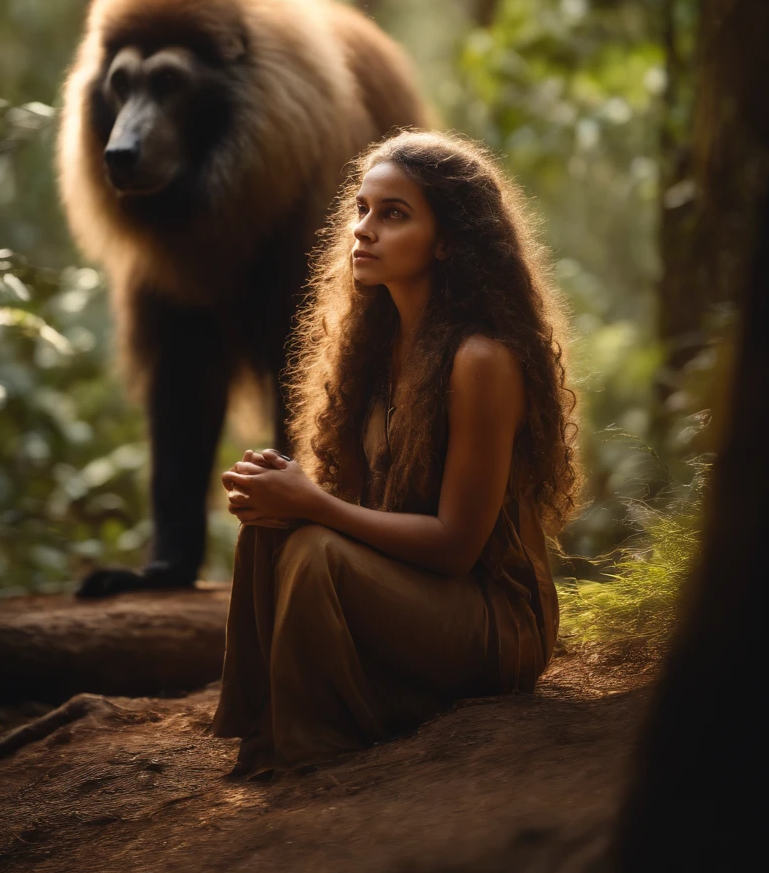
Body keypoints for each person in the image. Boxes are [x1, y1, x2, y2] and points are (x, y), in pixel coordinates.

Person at [211, 129, 579, 779]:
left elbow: (455, 546)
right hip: (414, 597)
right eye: (361, 209)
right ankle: (268, 736)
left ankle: (316, 748)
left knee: (316, 546)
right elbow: (357, 509)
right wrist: (287, 498)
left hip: (494, 619)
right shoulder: (370, 357)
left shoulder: (480, 361)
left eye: (394, 214)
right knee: (273, 535)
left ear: (448, 242)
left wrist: (314, 505)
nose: (364, 230)